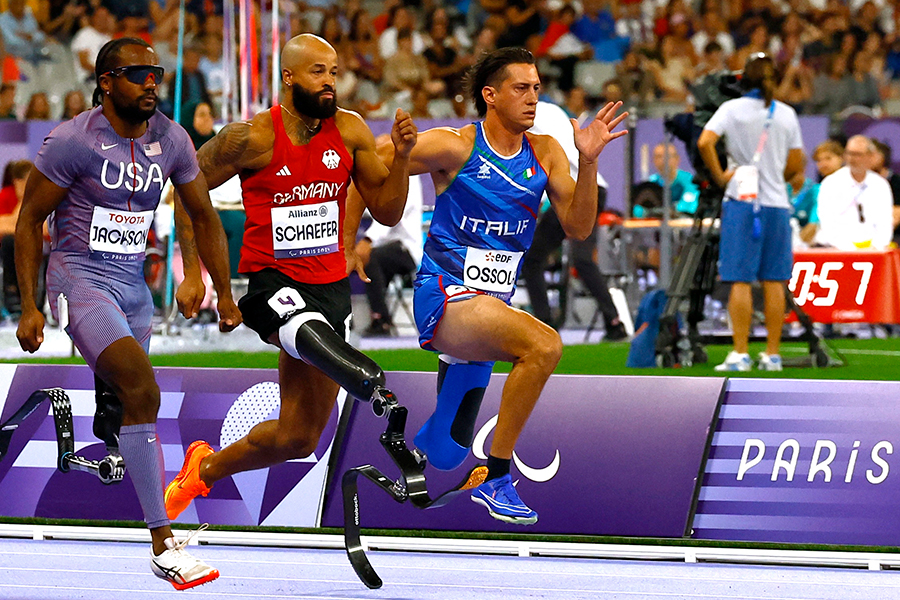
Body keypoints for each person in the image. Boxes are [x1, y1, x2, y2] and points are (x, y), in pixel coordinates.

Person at [163, 34, 417, 528]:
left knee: (300, 438)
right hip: (271, 285)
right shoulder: (253, 136)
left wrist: (402, 157)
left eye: (335, 72)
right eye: (318, 71)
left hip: (330, 290)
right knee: (305, 330)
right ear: (289, 77)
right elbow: (186, 192)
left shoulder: (351, 131)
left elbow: (386, 210)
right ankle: (374, 385)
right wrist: (195, 274)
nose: (329, 82)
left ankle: (204, 467)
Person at [14, 38, 241, 590]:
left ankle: (109, 418)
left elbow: (202, 215)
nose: (151, 84)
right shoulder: (72, 140)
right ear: (108, 81)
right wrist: (30, 306)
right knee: (144, 390)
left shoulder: (173, 138)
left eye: (155, 74)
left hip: (134, 288)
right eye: (138, 74)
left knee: (127, 400)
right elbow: (28, 222)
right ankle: (163, 541)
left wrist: (217, 288)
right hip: (80, 279)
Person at [378, 48, 627, 524]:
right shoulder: (456, 146)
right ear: (490, 95)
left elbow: (578, 227)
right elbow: (367, 165)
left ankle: (413, 441)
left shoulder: (548, 152)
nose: (532, 97)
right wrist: (349, 237)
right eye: (521, 88)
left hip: (492, 303)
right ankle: (495, 475)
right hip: (444, 294)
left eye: (536, 88)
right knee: (544, 346)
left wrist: (589, 161)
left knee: (448, 452)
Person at [698, 52, 805, 372]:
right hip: (775, 205)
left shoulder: (731, 109)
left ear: (744, 78)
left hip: (742, 202)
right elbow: (797, 166)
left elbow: (705, 142)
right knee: (775, 281)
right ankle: (772, 355)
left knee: (740, 281)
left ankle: (741, 353)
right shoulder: (786, 114)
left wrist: (720, 176)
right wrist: (774, 177)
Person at [521, 100, 627, 341]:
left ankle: (611, 322)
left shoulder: (525, 117)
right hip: (585, 186)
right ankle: (549, 325)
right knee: (536, 258)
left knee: (575, 259)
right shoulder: (553, 109)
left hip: (583, 187)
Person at [346, 165, 424, 337]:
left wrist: (368, 240)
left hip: (406, 249)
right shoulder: (389, 179)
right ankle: (345, 317)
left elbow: (393, 214)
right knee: (351, 259)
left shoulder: (407, 177)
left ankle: (381, 319)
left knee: (370, 258)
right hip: (387, 248)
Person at [815, 135, 894, 251]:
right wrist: (850, 249)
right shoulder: (831, 183)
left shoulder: (881, 185)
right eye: (849, 153)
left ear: (870, 156)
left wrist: (877, 246)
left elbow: (885, 223)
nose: (852, 159)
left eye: (858, 155)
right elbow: (828, 223)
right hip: (836, 249)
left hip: (873, 250)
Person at [0, 158, 30, 314]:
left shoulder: (38, 196)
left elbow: (44, 228)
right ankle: (11, 293)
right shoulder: (6, 195)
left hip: (37, 247)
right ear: (18, 181)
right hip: (8, 248)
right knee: (9, 242)